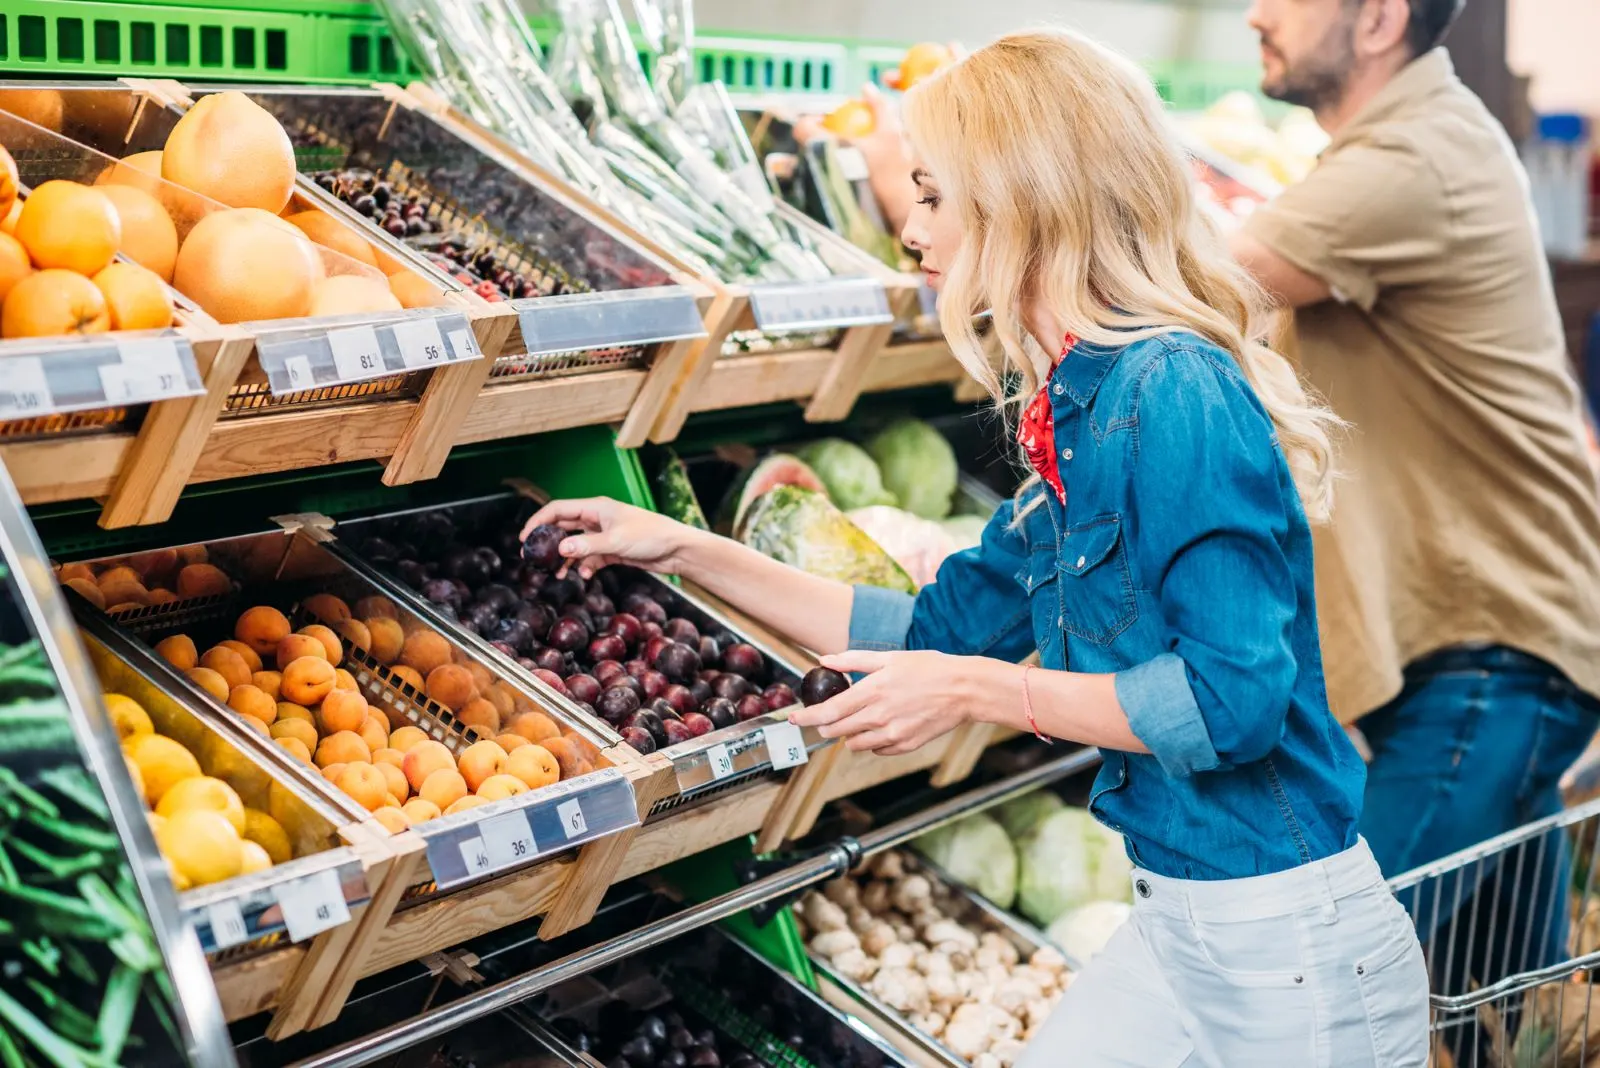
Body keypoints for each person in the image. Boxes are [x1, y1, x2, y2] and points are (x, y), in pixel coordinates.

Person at [527, 30, 1430, 1066]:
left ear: (1023, 203)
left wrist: (976, 693)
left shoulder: (1171, 391)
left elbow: (1232, 701)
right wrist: (684, 551)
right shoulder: (1082, 411)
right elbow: (929, 626)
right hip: (1182, 921)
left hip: (1287, 946)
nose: (909, 228)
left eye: (931, 195)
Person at [1230, 0, 1600, 1005]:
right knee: (1488, 1014)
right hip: (1503, 644)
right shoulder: (1410, 142)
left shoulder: (1410, 160)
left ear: (1380, 18)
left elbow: (1189, 287)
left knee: (1314, 994)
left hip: (1492, 658)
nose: (1255, 11)